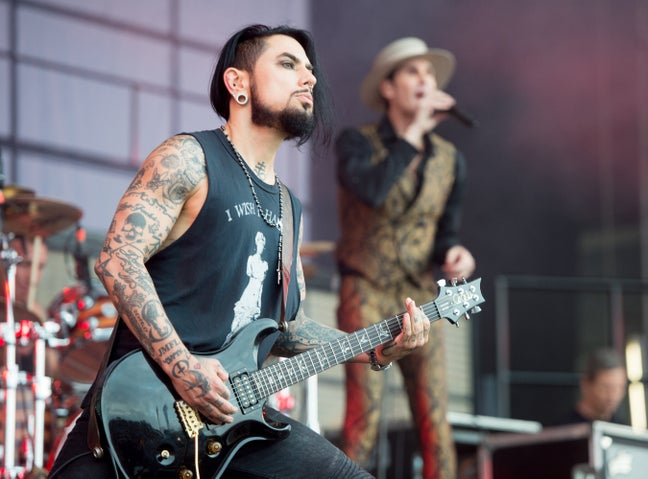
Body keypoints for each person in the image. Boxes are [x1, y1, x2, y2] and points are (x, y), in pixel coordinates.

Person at [47, 24, 432, 479]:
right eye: (288, 65)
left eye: (309, 70)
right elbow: (117, 259)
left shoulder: (289, 209)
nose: (308, 79)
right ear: (238, 83)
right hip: (139, 421)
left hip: (236, 422)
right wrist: (184, 367)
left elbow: (288, 329)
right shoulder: (189, 158)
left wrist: (376, 346)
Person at [335, 37, 476, 479]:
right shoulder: (355, 143)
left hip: (422, 297)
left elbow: (443, 232)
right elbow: (374, 191)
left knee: (436, 421)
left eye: (429, 73)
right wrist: (414, 131)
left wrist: (455, 254)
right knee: (364, 420)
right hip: (365, 287)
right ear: (388, 89)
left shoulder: (451, 160)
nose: (424, 79)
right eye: (413, 72)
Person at [557, 348, 628, 425]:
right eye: (605, 388)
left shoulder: (624, 430)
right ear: (585, 385)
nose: (612, 396)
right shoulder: (562, 430)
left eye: (619, 388)